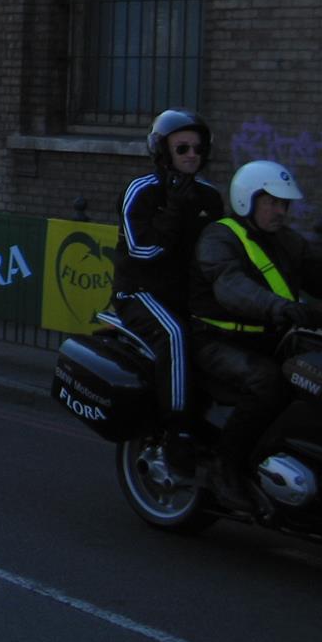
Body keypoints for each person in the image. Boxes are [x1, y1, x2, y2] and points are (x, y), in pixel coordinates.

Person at [190, 160, 322, 512]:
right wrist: (278, 307)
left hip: (269, 340)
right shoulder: (219, 236)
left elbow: (318, 271)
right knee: (268, 383)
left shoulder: (286, 241)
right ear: (248, 199)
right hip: (217, 341)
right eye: (272, 202)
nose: (281, 210)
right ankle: (225, 467)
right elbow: (230, 285)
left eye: (284, 204)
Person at [106, 109, 223, 423]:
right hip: (139, 293)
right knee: (174, 334)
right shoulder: (141, 191)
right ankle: (177, 429)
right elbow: (143, 251)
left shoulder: (210, 197)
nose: (191, 155)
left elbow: (217, 252)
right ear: (162, 151)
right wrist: (173, 208)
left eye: (198, 148)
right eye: (182, 148)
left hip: (186, 294)